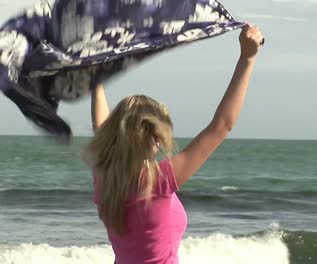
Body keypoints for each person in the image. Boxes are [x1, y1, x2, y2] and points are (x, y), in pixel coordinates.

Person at [82, 24, 263, 264]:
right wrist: (247, 59)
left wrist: (96, 79)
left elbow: (101, 128)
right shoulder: (157, 181)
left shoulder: (105, 177)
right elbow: (221, 126)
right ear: (156, 137)